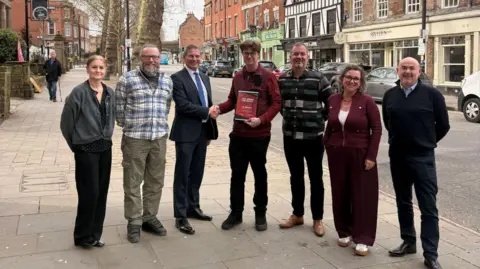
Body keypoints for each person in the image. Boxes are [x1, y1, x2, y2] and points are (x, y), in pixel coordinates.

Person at [383, 57, 450, 269]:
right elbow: (388, 122)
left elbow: (444, 125)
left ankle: (431, 253)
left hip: (423, 157)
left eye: (412, 68)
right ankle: (408, 241)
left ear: (419, 71)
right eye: (404, 68)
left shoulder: (432, 95)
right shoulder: (390, 95)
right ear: (398, 70)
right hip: (398, 156)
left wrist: (426, 141)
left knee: (428, 206)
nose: (408, 72)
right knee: (403, 201)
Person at [216, 40, 281, 231]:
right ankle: (236, 213)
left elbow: (276, 103)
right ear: (242, 55)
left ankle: (260, 213)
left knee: (260, 174)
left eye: (252, 53)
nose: (249, 56)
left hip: (259, 134)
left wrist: (261, 120)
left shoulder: (268, 77)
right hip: (238, 134)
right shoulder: (237, 77)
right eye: (246, 53)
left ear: (258, 54)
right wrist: (218, 109)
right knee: (237, 175)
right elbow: (232, 101)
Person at [115, 44, 173, 243]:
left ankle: (149, 217)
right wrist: (130, 125)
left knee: (155, 180)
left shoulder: (167, 80)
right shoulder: (127, 79)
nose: (152, 61)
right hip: (135, 139)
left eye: (155, 57)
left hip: (158, 138)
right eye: (147, 57)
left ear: (160, 58)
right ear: (140, 58)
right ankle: (134, 221)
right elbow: (119, 109)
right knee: (132, 181)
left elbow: (166, 107)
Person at [323, 64, 382, 256]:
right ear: (342, 79)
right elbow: (330, 125)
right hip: (337, 154)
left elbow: (377, 129)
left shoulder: (367, 102)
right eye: (348, 77)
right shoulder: (332, 100)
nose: (352, 81)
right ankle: (344, 231)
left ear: (361, 83)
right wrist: (328, 144)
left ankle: (363, 238)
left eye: (356, 78)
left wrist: (371, 155)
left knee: (362, 195)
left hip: (360, 154)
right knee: (340, 193)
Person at [277, 43, 332, 237]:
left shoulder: (318, 79)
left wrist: (320, 119)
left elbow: (331, 103)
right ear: (290, 57)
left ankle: (318, 218)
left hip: (313, 138)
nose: (299, 57)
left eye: (302, 54)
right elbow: (279, 105)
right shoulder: (282, 79)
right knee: (296, 177)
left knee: (316, 178)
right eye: (295, 54)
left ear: (307, 57)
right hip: (291, 137)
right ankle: (298, 214)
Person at [60, 55, 115, 248]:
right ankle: (82, 235)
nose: (98, 71)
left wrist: (108, 134)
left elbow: (111, 117)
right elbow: (66, 124)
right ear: (88, 69)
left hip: (105, 148)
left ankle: (95, 234)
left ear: (105, 70)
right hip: (85, 150)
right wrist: (76, 145)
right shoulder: (79, 92)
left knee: (101, 193)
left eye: (101, 67)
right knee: (88, 193)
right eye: (94, 67)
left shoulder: (109, 92)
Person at [170, 45, 219, 235]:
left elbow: (207, 102)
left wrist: (212, 114)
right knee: (182, 174)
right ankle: (180, 215)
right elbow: (182, 106)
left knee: (197, 172)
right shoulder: (177, 78)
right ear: (184, 58)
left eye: (198, 56)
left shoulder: (204, 77)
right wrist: (207, 111)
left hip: (202, 133)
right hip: (185, 133)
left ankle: (193, 206)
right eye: (191, 56)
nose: (195, 59)